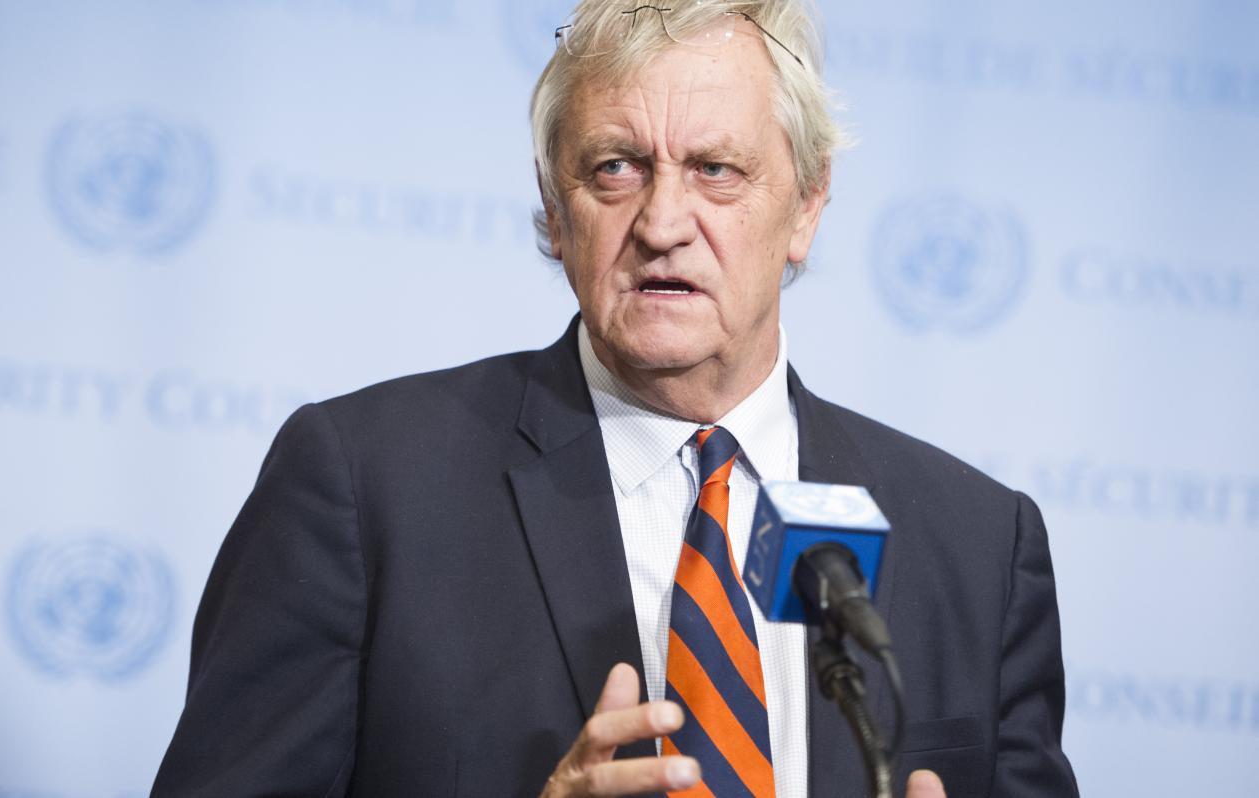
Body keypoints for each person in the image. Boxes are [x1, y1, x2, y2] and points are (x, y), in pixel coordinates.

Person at [152, 2, 1079, 796]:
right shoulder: (366, 487)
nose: (663, 224)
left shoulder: (975, 546)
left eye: (716, 169)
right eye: (615, 168)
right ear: (555, 210)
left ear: (806, 204)